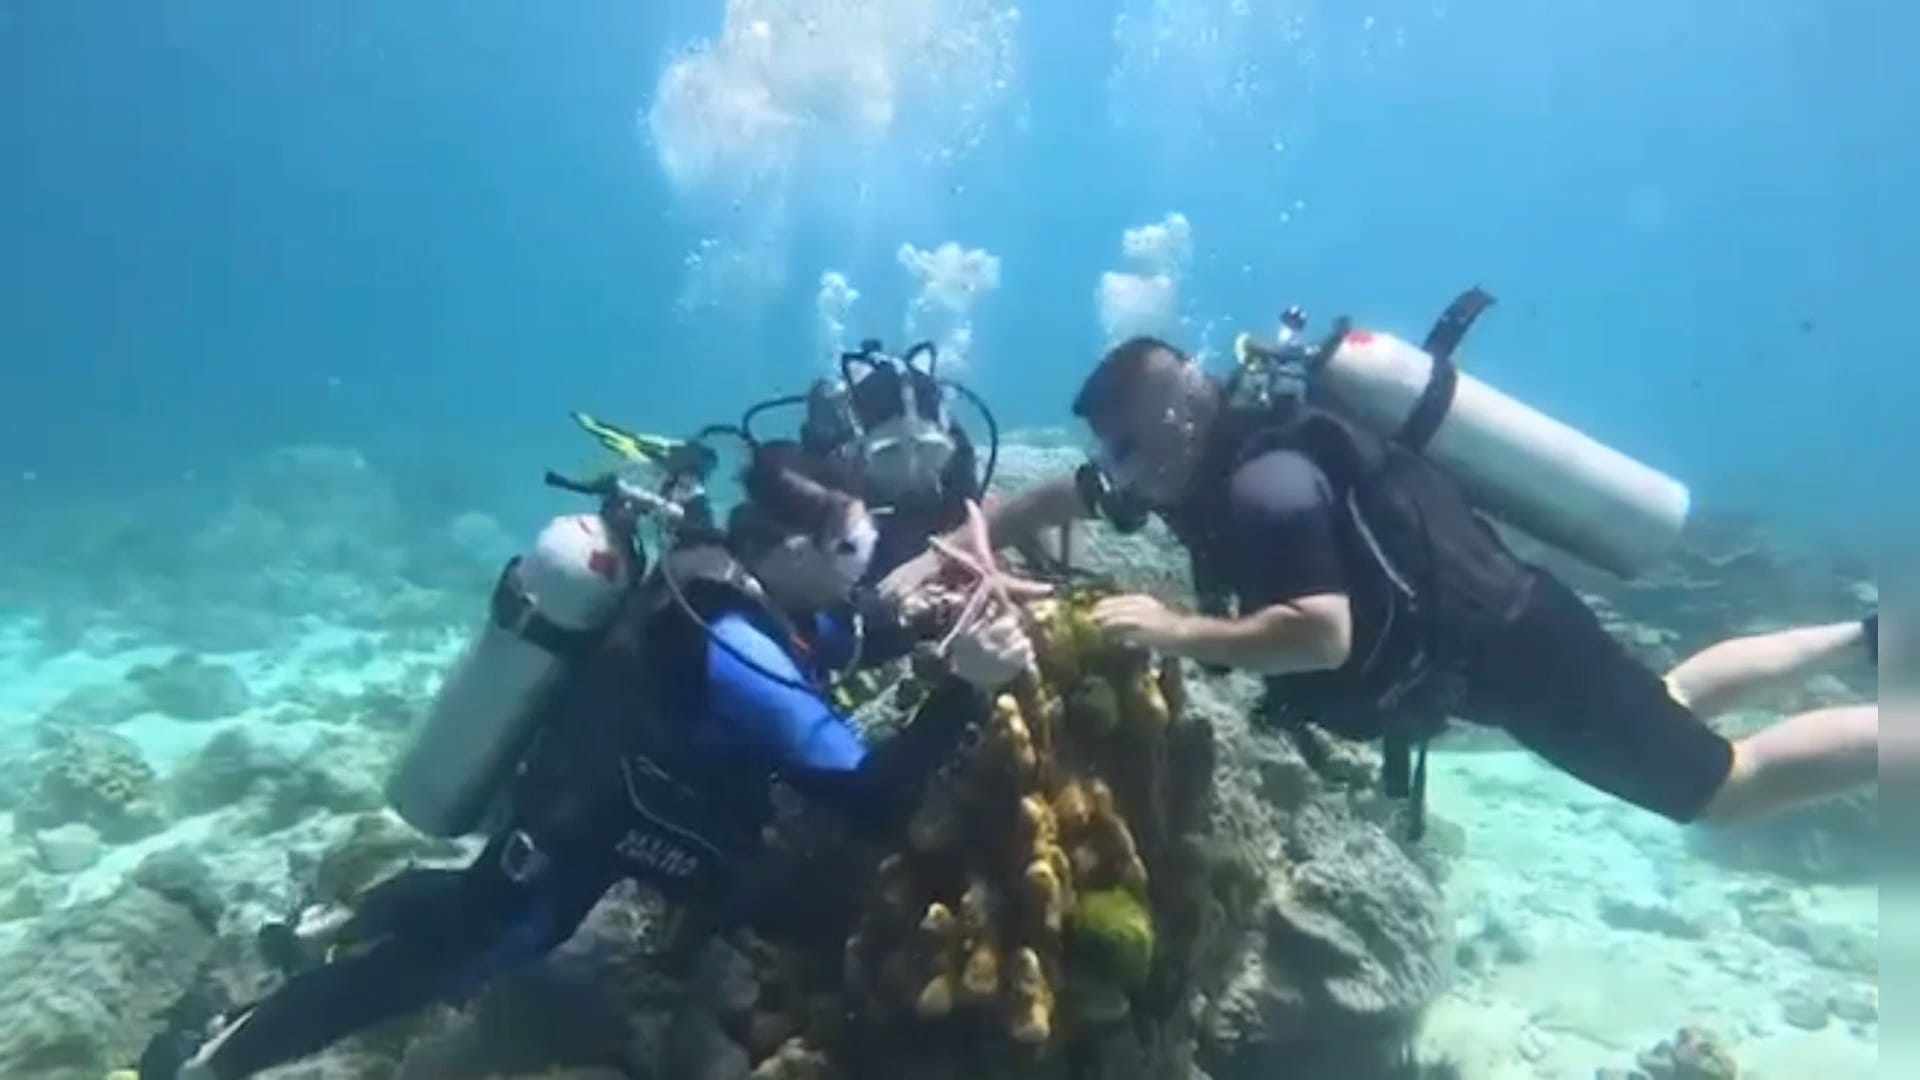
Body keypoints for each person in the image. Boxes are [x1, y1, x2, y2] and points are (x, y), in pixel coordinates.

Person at [141, 442, 1034, 1080]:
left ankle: (326, 923)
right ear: (787, 550)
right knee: (461, 956)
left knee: (471, 907)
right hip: (579, 833)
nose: (864, 567)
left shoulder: (726, 576)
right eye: (852, 550)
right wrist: (967, 687)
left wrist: (918, 619)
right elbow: (873, 796)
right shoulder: (736, 648)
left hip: (587, 804)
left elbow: (842, 631)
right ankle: (223, 1057)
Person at [899, 335, 1877, 835]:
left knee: (1721, 788)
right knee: (1664, 701)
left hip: (1517, 645)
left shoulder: (1264, 485)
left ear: (1177, 417)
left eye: (1124, 447)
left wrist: (1175, 631)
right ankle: (1870, 640)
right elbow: (1050, 503)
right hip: (1509, 639)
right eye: (1106, 454)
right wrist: (955, 546)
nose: (1115, 472)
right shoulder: (1198, 469)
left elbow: (1321, 634)